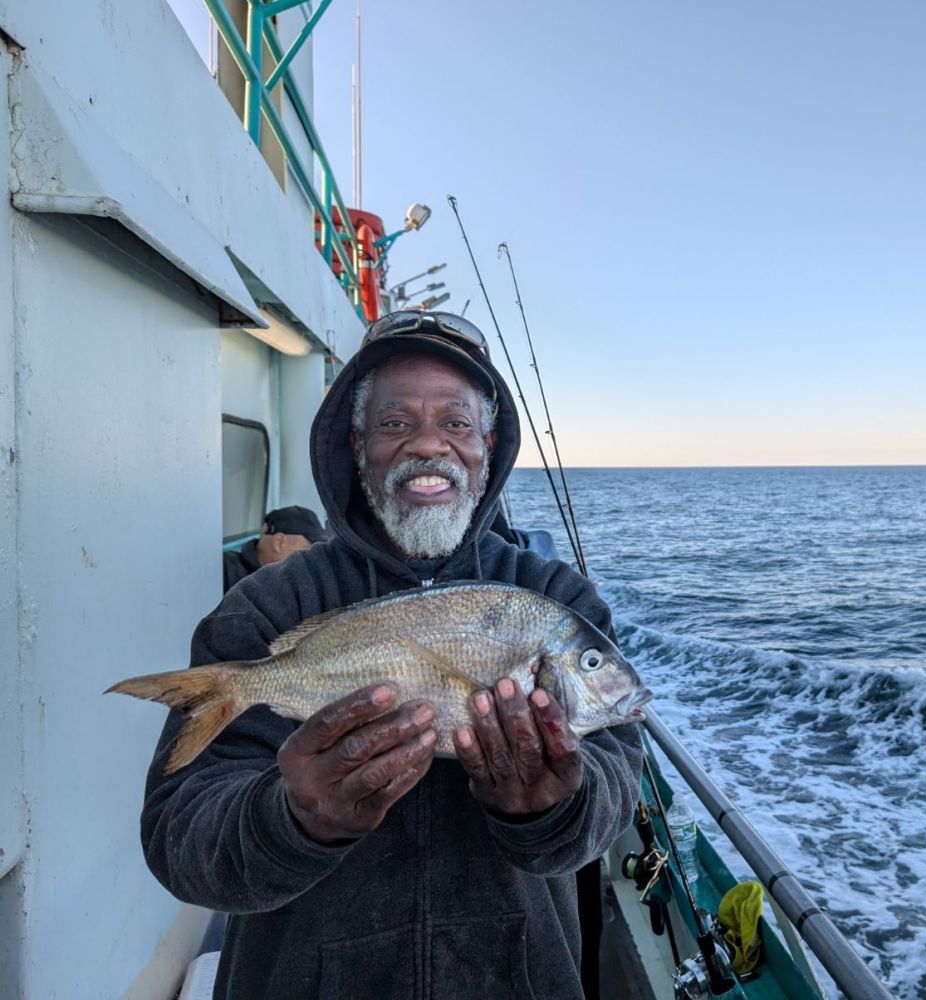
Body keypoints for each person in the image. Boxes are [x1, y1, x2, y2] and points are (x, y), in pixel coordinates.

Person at [141, 311, 644, 999]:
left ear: (489, 444)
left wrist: (554, 809)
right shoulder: (266, 607)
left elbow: (614, 790)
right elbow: (177, 835)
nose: (429, 445)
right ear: (357, 445)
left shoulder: (554, 598)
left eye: (458, 423)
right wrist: (290, 819)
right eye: (395, 423)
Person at [221, 505, 327, 591]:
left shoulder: (294, 579)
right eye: (308, 549)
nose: (312, 558)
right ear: (279, 542)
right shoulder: (222, 571)